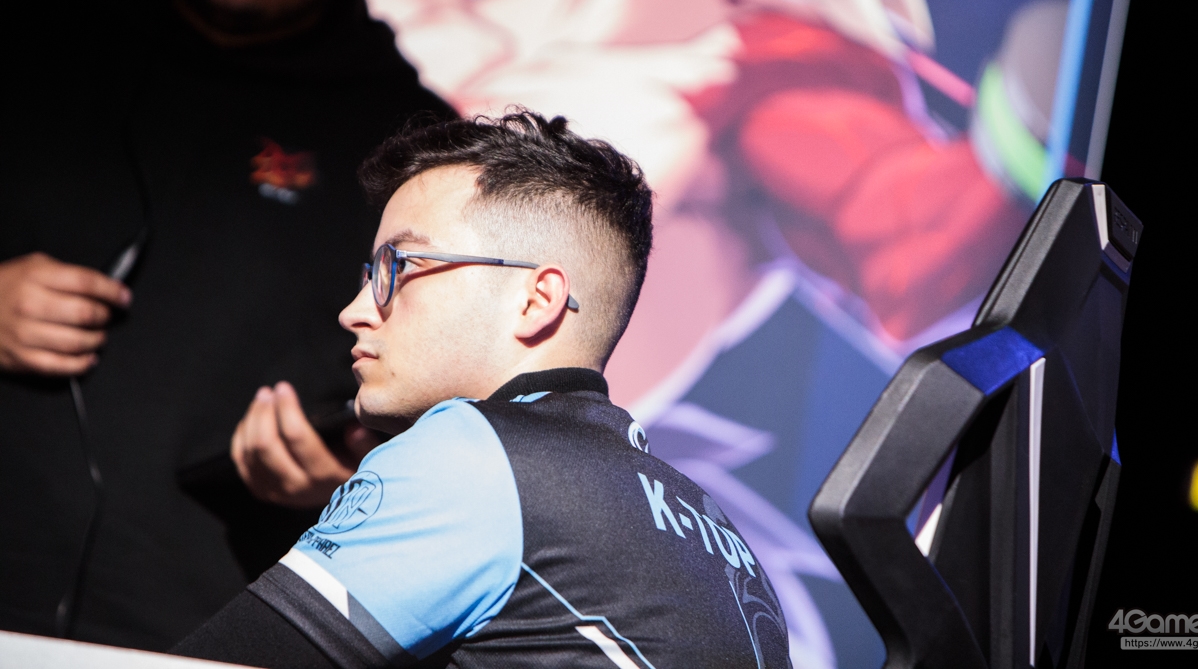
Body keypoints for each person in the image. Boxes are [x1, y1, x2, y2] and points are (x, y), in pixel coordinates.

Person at [0, 0, 455, 651]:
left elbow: (452, 432)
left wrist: (352, 486)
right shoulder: (25, 48)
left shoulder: (420, 151)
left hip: (215, 631)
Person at [173, 110, 791, 668]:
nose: (355, 311)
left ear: (536, 300)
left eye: (397, 268)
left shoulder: (469, 454)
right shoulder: (722, 540)